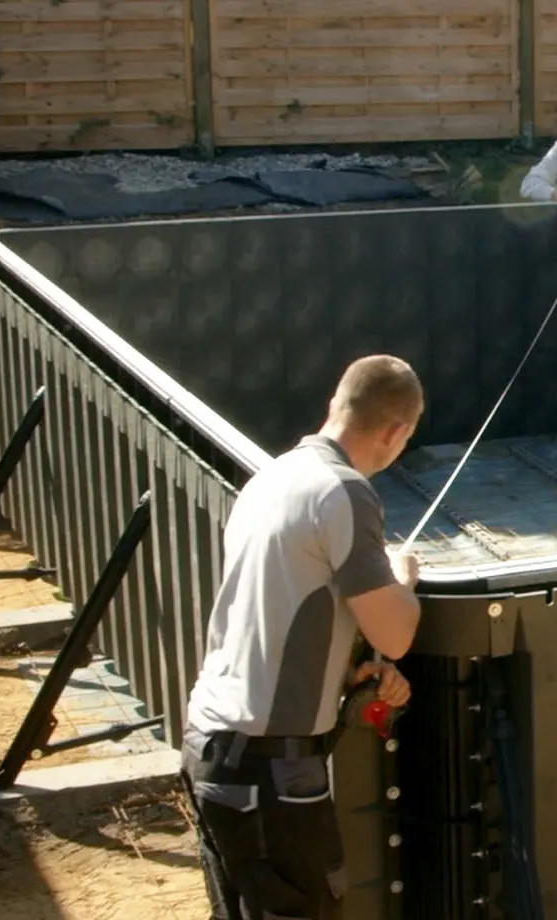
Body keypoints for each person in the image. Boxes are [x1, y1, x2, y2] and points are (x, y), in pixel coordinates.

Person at [179, 354, 427, 920]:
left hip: (215, 751)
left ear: (334, 407)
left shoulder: (273, 477)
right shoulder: (344, 493)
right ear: (396, 433)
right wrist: (402, 578)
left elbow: (281, 612)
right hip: (267, 774)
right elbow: (397, 632)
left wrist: (346, 673)